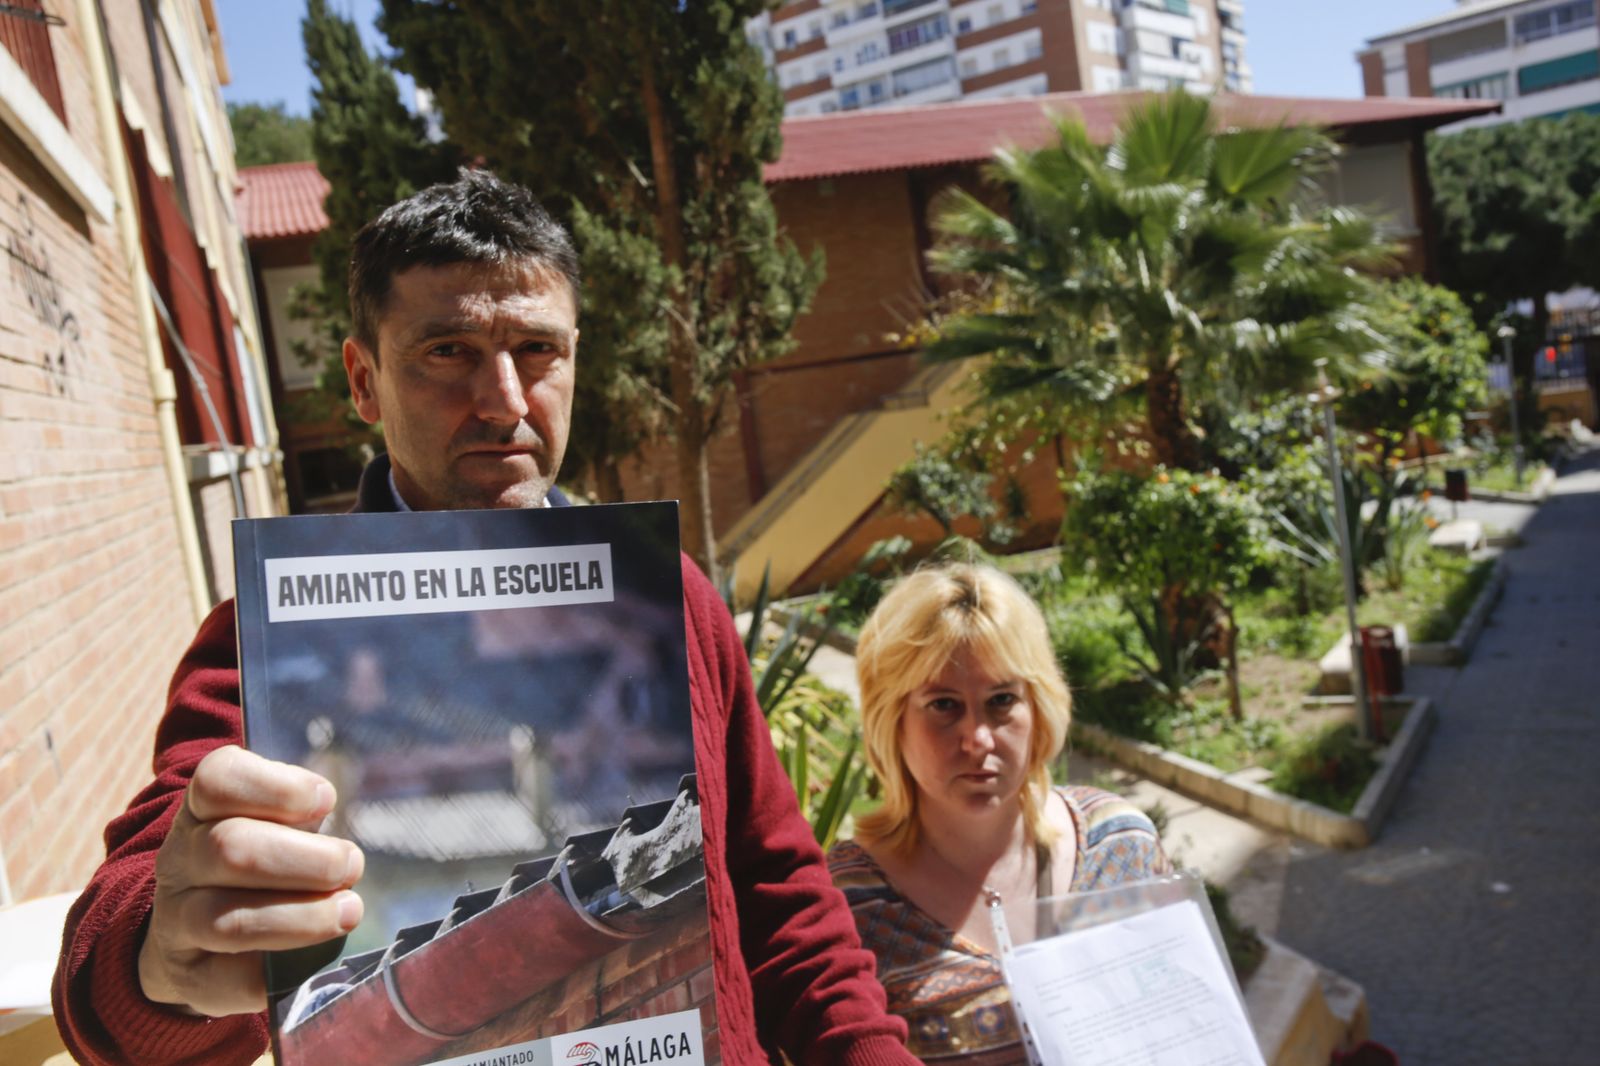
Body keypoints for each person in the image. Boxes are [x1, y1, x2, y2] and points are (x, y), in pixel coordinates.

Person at [52, 170, 916, 1066]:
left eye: (536, 350)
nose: (505, 399)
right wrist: (158, 954)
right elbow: (110, 989)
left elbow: (780, 894)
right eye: (448, 351)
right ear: (363, 380)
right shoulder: (266, 635)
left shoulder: (672, 596)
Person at [827, 563, 1171, 1064]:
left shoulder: (1122, 846)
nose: (978, 739)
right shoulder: (850, 911)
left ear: (1039, 706)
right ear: (892, 720)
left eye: (1002, 700)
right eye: (943, 705)